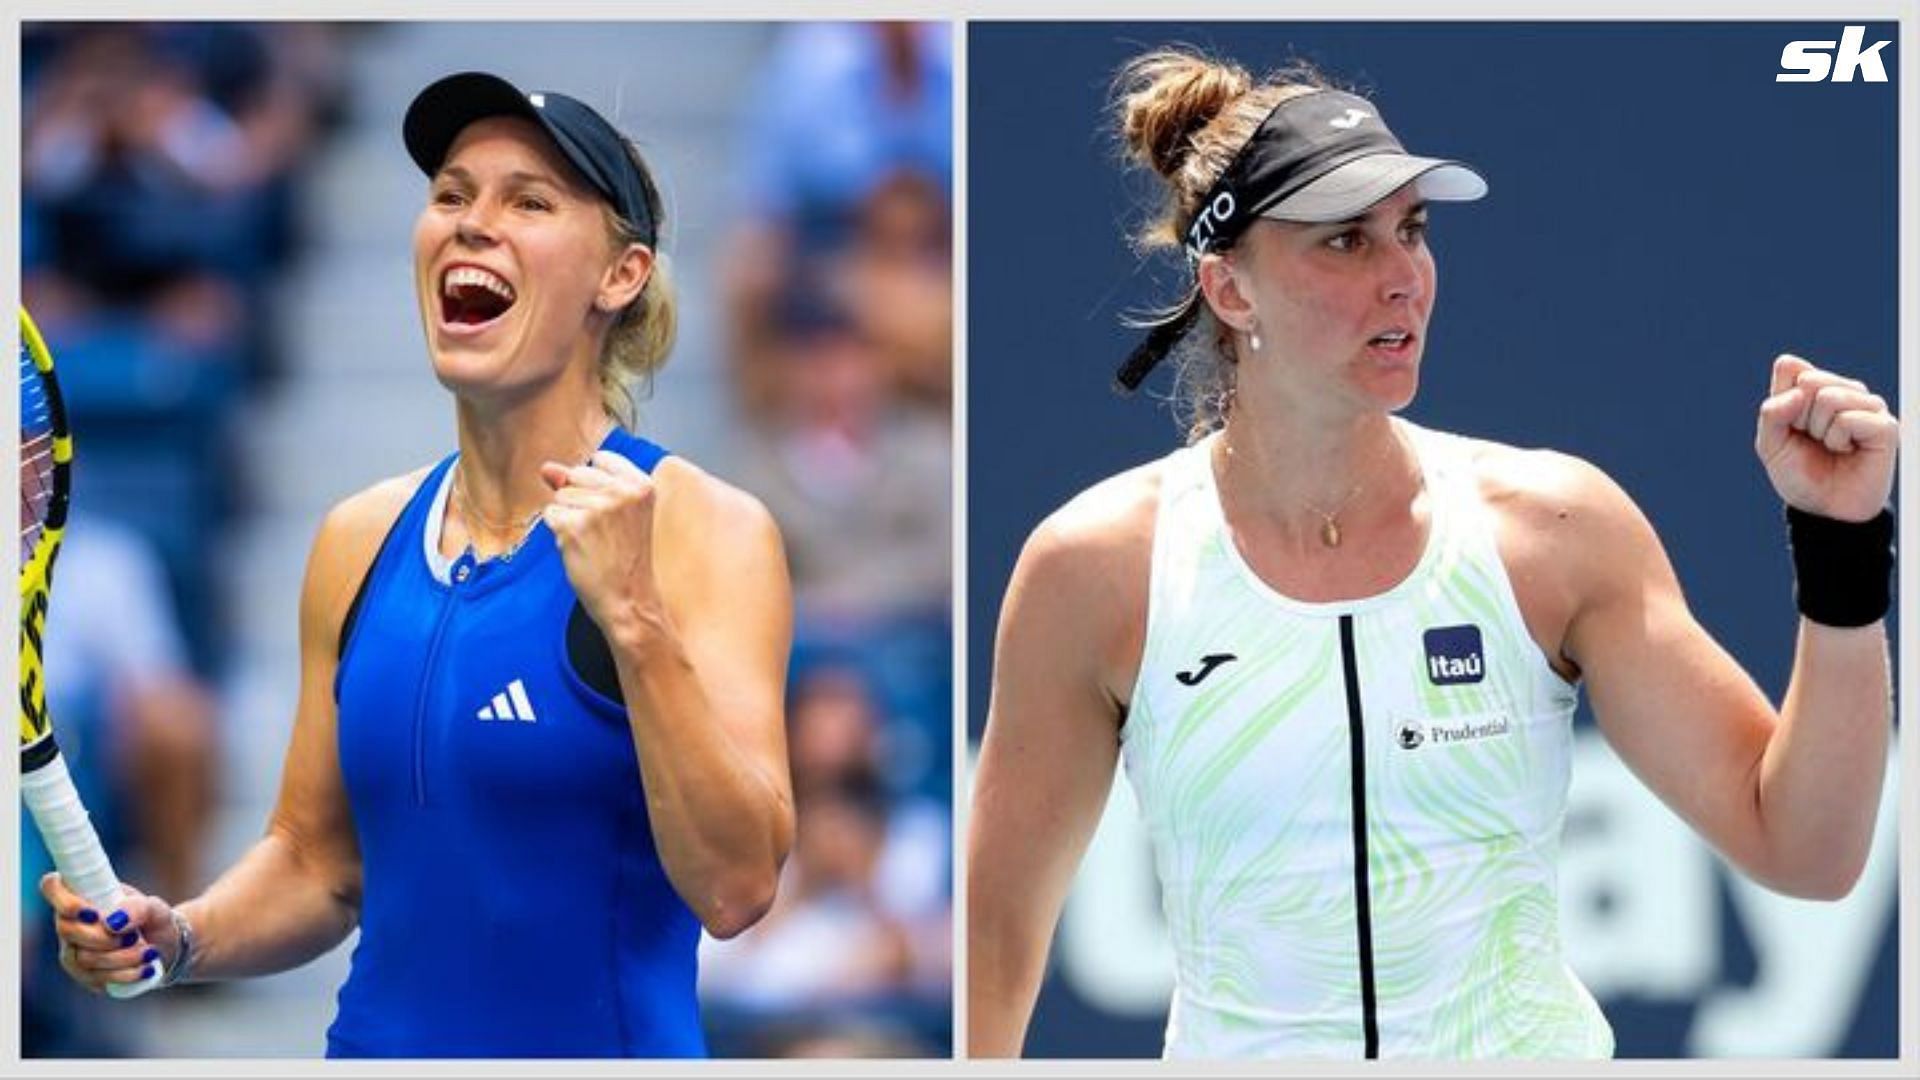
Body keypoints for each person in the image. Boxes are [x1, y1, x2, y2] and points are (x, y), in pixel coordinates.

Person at [966, 48, 1896, 1060]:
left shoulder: (1554, 528)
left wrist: (1842, 545)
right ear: (1230, 291)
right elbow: (997, 934)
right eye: (1345, 242)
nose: (1404, 277)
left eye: (1411, 231)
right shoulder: (1093, 567)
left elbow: (1806, 850)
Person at [42, 71, 796, 1059]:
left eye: (527, 201)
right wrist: (179, 935)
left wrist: (638, 622)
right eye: (451, 193)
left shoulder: (708, 530)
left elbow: (738, 887)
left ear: (621, 276)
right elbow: (319, 863)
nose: (472, 223)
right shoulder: (357, 536)